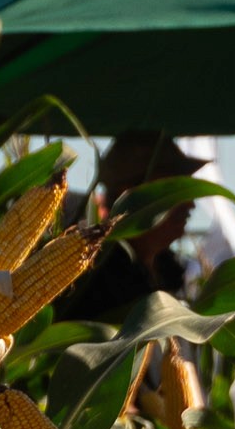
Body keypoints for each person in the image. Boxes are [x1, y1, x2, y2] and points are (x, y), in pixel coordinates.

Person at [79, 133, 203, 322]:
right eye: (173, 191)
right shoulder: (94, 278)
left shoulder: (173, 272)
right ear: (129, 195)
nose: (190, 204)